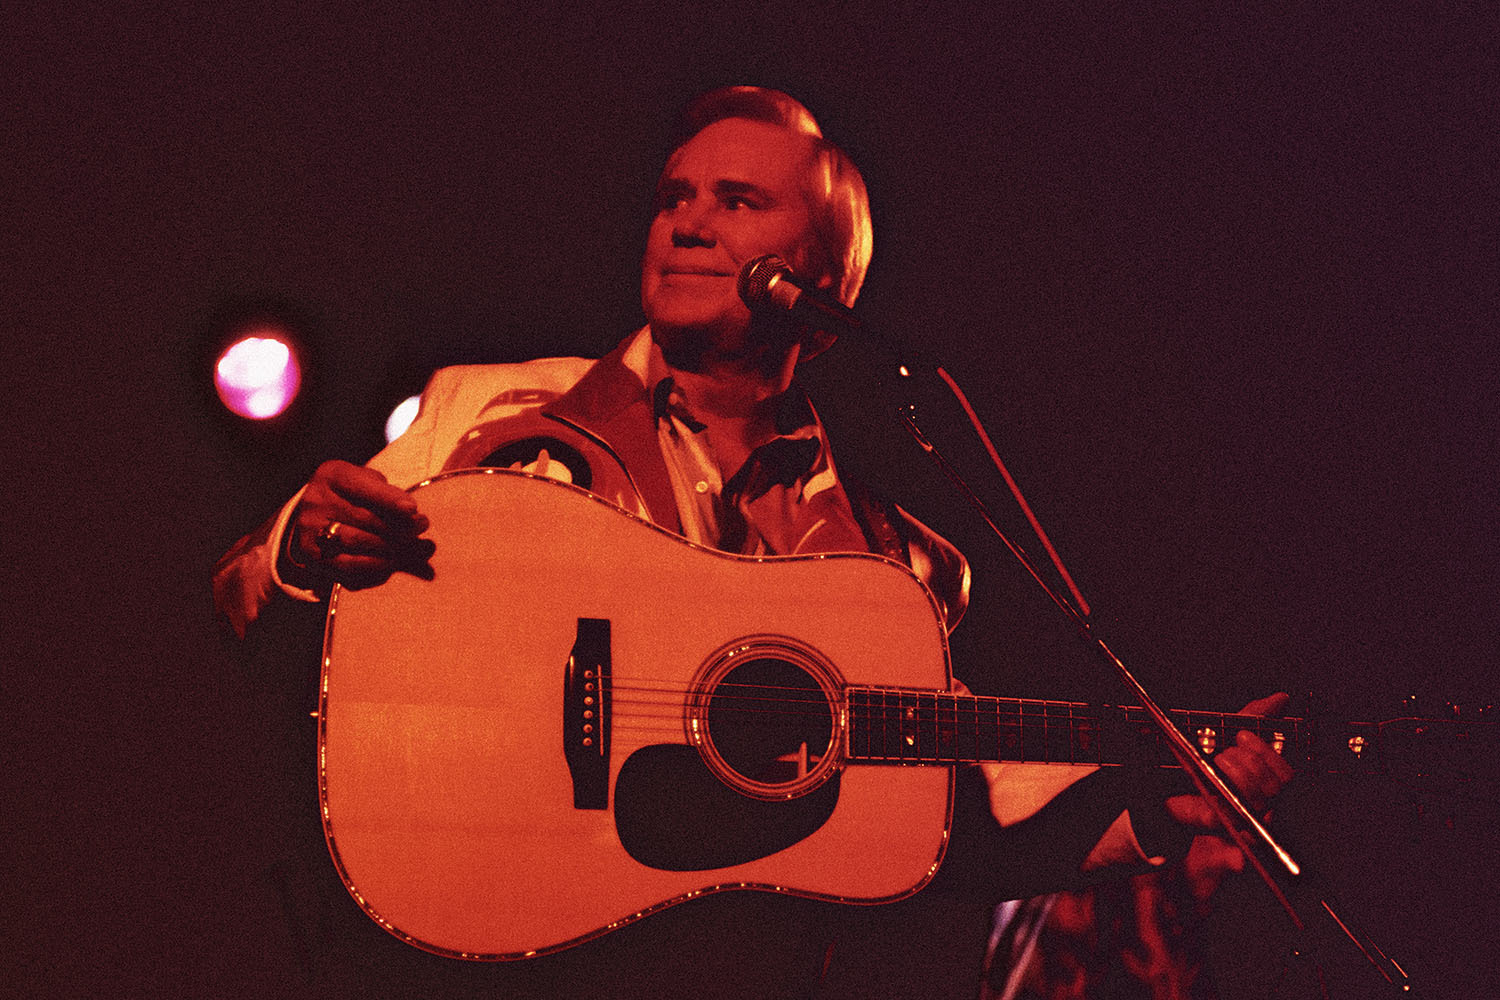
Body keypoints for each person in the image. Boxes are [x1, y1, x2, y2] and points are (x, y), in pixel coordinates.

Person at [215, 86, 1292, 998]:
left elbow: (958, 826)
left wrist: (1158, 797)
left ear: (824, 284)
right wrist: (299, 550)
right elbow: (239, 603)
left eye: (738, 201)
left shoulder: (889, 565)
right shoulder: (494, 413)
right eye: (675, 196)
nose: (686, 222)